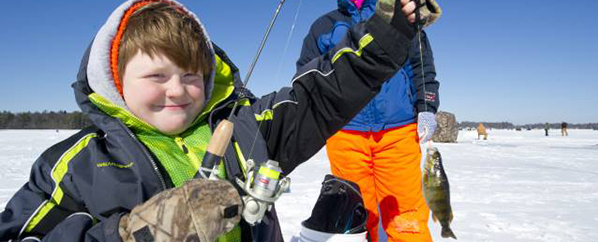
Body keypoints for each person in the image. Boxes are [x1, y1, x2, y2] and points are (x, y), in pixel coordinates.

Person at [0, 0, 424, 241]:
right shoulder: (76, 166)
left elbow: (322, 93)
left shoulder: (247, 127)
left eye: (191, 75)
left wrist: (391, 29)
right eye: (156, 76)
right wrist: (145, 231)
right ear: (116, 82)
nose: (178, 90)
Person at [296, 0, 441, 241]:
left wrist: (426, 105)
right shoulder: (323, 26)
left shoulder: (400, 15)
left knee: (406, 215)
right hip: (345, 132)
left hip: (398, 130)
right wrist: (316, 116)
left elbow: (422, 66)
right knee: (356, 213)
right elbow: (307, 75)